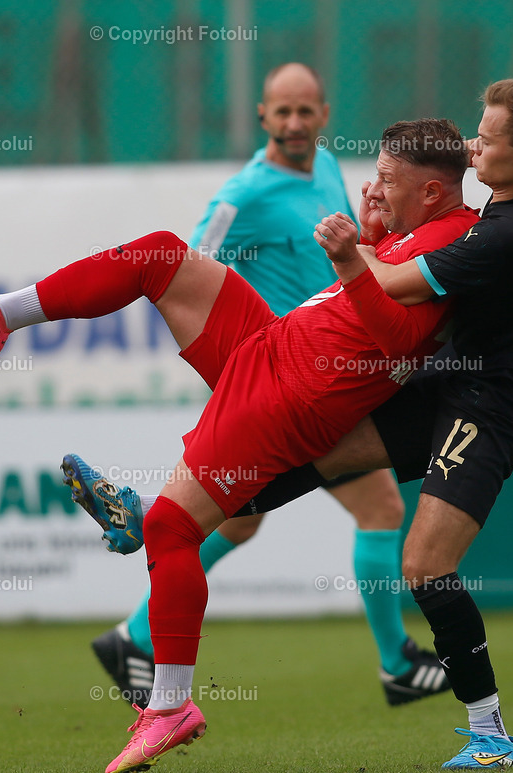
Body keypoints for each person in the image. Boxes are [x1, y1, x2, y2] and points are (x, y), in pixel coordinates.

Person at [0, 118, 479, 773]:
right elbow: (375, 302)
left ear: (435, 190)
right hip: (276, 347)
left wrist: (351, 255)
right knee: (162, 255)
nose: (375, 186)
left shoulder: (456, 242)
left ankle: (170, 705)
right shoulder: (427, 227)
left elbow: (394, 340)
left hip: (292, 393)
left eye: (390, 180)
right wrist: (375, 234)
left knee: (170, 528)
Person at [70, 79, 513, 770]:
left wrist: (360, 240)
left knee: (425, 563)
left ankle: (492, 737)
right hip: (452, 374)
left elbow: (388, 289)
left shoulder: (501, 236)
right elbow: (483, 157)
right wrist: (421, 179)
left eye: (483, 139)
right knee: (311, 451)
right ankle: (165, 519)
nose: (471, 144)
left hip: (499, 402)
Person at [86, 61, 448, 712]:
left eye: (305, 111)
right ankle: (396, 663)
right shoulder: (244, 194)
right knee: (377, 510)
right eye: (282, 112)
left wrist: (367, 235)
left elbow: (345, 266)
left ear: (324, 115)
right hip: (272, 374)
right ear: (262, 116)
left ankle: (133, 634)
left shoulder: (331, 169)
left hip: (321, 377)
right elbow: (192, 264)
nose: (294, 123)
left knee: (242, 517)